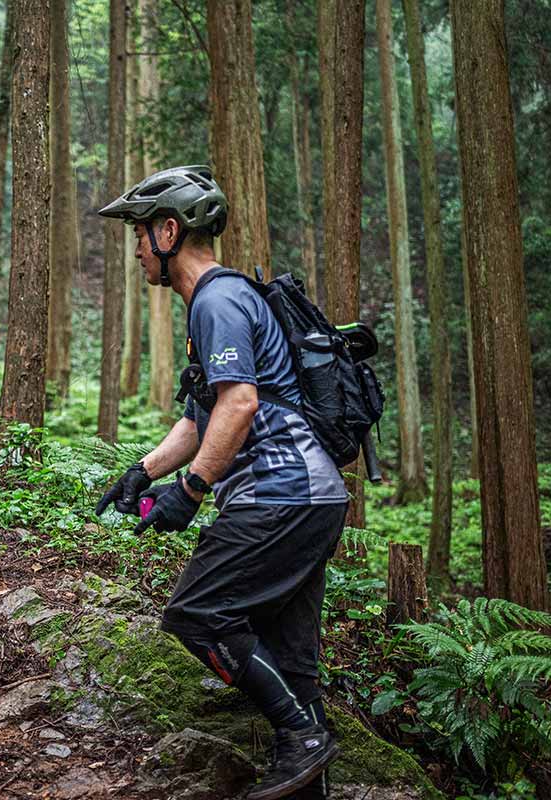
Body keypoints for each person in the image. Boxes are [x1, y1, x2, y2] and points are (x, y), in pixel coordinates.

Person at [94, 165, 347, 800]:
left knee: (197, 614)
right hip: (310, 497)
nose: (134, 248)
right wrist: (144, 472)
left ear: (169, 233)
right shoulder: (216, 301)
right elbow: (201, 416)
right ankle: (305, 774)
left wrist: (192, 492)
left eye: (138, 234)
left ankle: (301, 734)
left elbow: (240, 405)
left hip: (279, 495)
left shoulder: (216, 299)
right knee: (292, 658)